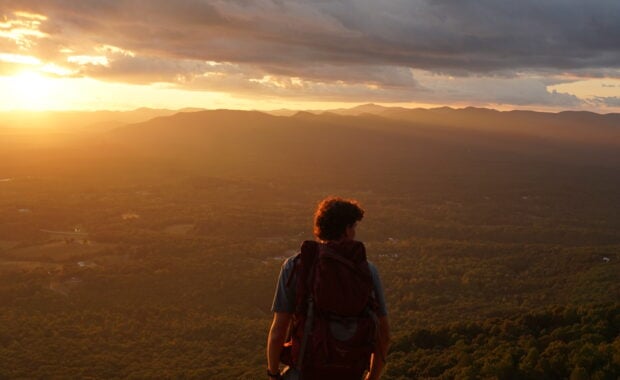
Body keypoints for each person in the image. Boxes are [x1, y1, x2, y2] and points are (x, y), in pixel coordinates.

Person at [267, 197, 390, 380]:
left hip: (305, 372)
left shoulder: (297, 266)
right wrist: (372, 377)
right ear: (347, 230)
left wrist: (273, 372)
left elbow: (279, 329)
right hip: (350, 371)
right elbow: (383, 333)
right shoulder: (366, 271)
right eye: (353, 227)